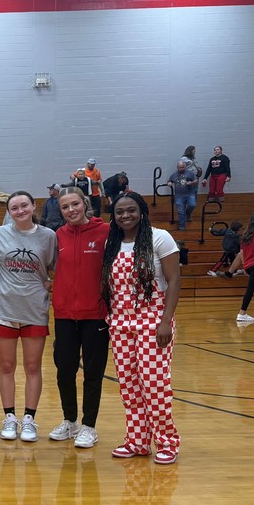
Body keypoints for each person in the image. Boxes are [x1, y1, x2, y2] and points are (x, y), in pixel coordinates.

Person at [101, 193, 182, 464]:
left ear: (142, 211)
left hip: (152, 322)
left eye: (131, 210)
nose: (125, 216)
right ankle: (137, 441)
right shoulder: (111, 244)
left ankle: (167, 442)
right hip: (120, 324)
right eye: (120, 211)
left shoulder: (160, 238)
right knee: (129, 387)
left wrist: (165, 321)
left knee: (155, 386)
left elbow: (173, 281)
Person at [0, 191, 57, 442]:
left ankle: (29, 419)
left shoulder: (48, 237)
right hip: (5, 308)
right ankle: (9, 417)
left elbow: (56, 267)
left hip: (35, 309)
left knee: (32, 366)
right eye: (14, 208)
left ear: (33, 205)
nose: (20, 211)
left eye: (24, 205)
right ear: (9, 212)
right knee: (6, 366)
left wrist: (51, 283)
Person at [50, 187, 110, 449]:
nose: (71, 210)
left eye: (75, 204)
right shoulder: (58, 236)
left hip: (95, 315)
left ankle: (89, 426)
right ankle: (70, 421)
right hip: (64, 314)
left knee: (93, 374)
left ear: (84, 204)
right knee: (64, 371)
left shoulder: (105, 231)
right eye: (65, 207)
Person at [167, 159, 199, 231]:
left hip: (189, 194)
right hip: (179, 196)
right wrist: (169, 183)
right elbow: (169, 181)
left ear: (185, 167)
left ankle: (187, 214)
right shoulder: (174, 175)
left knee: (192, 205)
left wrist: (192, 183)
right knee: (181, 211)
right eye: (180, 167)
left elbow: (196, 180)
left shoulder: (190, 173)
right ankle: (182, 226)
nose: (181, 169)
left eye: (182, 167)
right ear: (177, 167)